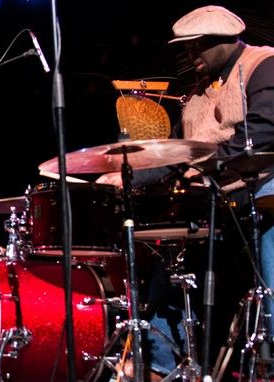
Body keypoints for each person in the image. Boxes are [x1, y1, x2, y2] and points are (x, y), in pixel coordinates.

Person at [98, 5, 273, 379]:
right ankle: (162, 364)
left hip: (263, 190)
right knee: (173, 260)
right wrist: (128, 175)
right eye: (187, 48)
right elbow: (178, 154)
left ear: (223, 42)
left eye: (197, 47)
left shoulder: (264, 65)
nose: (190, 56)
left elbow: (262, 134)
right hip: (218, 198)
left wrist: (201, 168)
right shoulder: (196, 95)